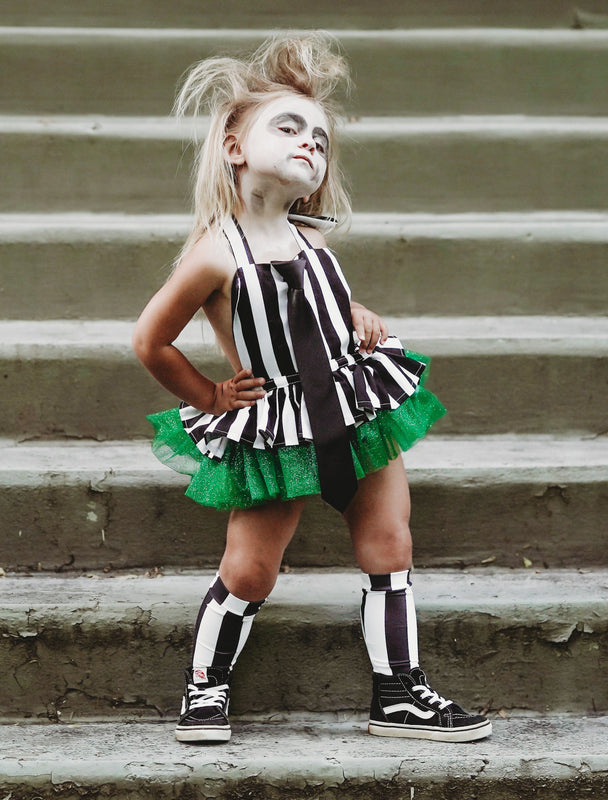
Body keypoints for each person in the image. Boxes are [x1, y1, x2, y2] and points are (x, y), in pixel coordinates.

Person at [132, 32, 491, 745]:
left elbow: (319, 308)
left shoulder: (311, 238)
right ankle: (205, 687)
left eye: (320, 140)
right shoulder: (214, 252)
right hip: (277, 425)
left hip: (357, 407)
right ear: (234, 147)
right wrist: (209, 397)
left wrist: (355, 317)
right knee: (251, 567)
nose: (310, 146)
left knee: (390, 544)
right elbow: (150, 340)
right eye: (289, 128)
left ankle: (399, 693)